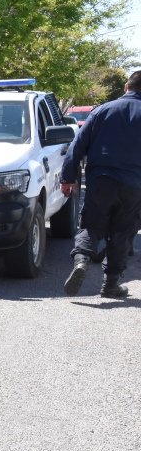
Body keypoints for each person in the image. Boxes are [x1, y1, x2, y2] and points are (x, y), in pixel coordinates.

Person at [60, 70, 141, 298]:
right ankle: (110, 285)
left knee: (91, 226)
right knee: (122, 233)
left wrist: (67, 178)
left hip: (100, 181)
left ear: (125, 87)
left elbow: (77, 147)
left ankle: (81, 262)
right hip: (133, 185)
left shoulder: (102, 110)